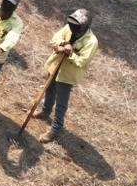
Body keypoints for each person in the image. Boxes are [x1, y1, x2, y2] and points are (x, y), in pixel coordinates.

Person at [37, 8, 99, 143]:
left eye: (76, 26)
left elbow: (82, 61)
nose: (72, 27)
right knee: (49, 89)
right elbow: (55, 39)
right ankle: (45, 111)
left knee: (61, 103)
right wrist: (61, 45)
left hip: (68, 74)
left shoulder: (91, 42)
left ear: (84, 26)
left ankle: (55, 129)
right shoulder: (68, 27)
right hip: (55, 66)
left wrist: (70, 54)